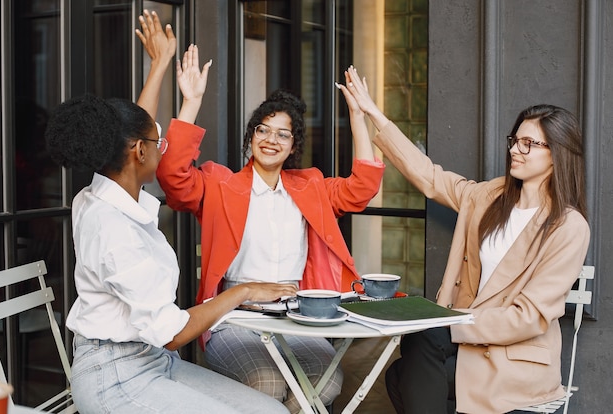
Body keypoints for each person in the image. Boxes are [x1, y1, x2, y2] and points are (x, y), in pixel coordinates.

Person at [44, 10, 295, 414]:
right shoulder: (111, 227)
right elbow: (172, 332)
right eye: (156, 141)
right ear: (138, 152)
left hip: (153, 362)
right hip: (115, 378)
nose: (163, 145)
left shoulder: (104, 190)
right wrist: (241, 291)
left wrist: (159, 64)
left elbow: (131, 131)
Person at [152, 37, 385, 411]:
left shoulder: (310, 186)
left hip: (298, 314)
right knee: (266, 382)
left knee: (325, 386)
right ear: (251, 137)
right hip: (234, 316)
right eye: (262, 130)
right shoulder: (220, 184)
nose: (271, 139)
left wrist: (358, 117)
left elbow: (361, 189)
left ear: (294, 146)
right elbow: (173, 177)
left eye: (282, 133)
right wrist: (191, 102)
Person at [339, 68, 590, 414]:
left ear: (557, 154)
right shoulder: (488, 196)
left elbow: (527, 318)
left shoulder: (568, 226)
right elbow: (430, 178)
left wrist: (455, 321)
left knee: (403, 373)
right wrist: (373, 113)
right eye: (515, 140)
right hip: (465, 342)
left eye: (529, 144)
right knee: (416, 346)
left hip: (510, 356)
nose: (516, 149)